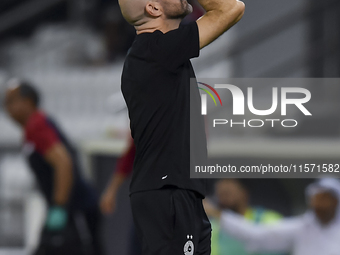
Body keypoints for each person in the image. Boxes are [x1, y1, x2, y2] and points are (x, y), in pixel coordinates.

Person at [118, 0, 245, 254]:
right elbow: (231, 8)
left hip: (178, 192)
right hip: (169, 192)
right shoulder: (156, 49)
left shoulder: (155, 53)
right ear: (153, 8)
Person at [4, 80, 103, 255]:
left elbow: (63, 163)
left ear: (27, 101)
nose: (6, 108)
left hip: (75, 209)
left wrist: (59, 207)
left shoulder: (37, 125)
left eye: (11, 101)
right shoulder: (33, 127)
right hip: (67, 209)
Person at [204, 178, 340, 255]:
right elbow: (255, 235)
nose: (320, 205)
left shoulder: (269, 217)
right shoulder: (301, 228)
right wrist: (218, 214)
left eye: (326, 200)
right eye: (317, 200)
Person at [208, 179, 284, 255]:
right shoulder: (212, 228)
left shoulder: (270, 219)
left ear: (244, 193)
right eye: (220, 195)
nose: (223, 200)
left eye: (227, 194)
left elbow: (255, 236)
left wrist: (217, 214)